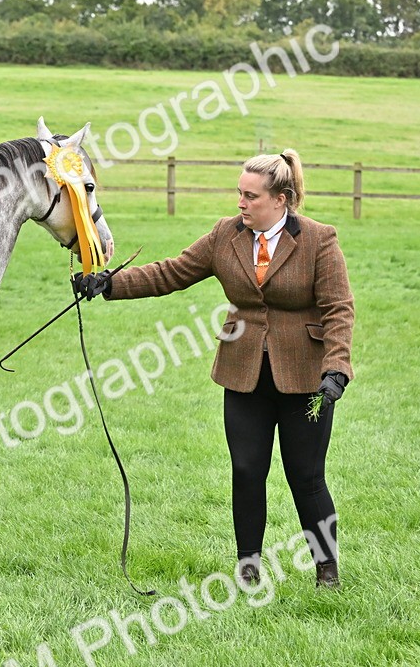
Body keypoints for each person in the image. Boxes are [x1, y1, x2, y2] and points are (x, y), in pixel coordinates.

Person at [74, 149, 354, 589]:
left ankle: (326, 569)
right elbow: (172, 272)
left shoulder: (319, 240)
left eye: (251, 196)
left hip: (307, 379)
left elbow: (339, 308)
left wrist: (336, 366)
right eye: (239, 194)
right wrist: (109, 283)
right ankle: (248, 567)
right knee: (246, 471)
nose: (241, 203)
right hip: (242, 374)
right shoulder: (226, 235)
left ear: (281, 199)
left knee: (306, 477)